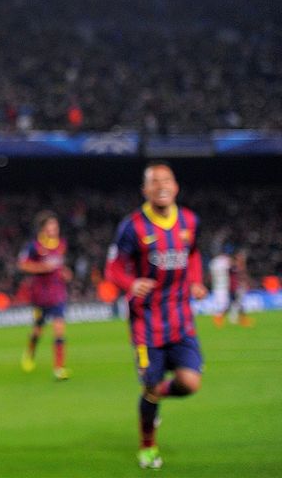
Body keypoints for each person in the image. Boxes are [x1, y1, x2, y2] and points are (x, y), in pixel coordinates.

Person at [105, 161, 207, 470]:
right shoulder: (132, 226)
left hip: (181, 321)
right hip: (146, 326)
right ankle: (148, 446)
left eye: (167, 180)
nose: (161, 185)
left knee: (190, 383)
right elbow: (112, 268)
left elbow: (194, 254)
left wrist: (197, 280)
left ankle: (152, 399)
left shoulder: (189, 220)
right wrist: (130, 283)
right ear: (145, 190)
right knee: (150, 385)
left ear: (175, 187)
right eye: (154, 181)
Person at [17, 211, 72, 380]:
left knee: (59, 329)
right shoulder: (34, 246)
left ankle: (59, 368)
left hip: (58, 293)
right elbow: (22, 265)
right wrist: (42, 268)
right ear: (43, 228)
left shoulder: (61, 244)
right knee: (38, 330)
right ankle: (30, 351)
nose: (54, 229)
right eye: (51, 226)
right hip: (40, 295)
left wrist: (65, 273)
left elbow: (58, 266)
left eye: (56, 226)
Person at [210, 246, 252, 328]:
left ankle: (221, 318)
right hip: (232, 288)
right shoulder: (231, 267)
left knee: (235, 304)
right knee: (235, 305)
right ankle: (221, 317)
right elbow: (237, 271)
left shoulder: (230, 266)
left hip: (231, 288)